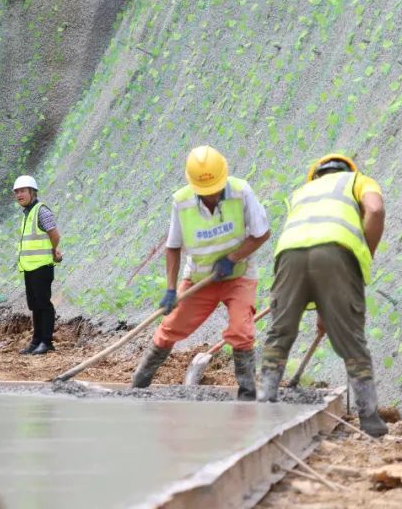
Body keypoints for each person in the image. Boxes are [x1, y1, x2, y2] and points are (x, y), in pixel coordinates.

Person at [259, 154, 388, 437]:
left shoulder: (300, 193)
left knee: (280, 333)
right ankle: (370, 419)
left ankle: (265, 403)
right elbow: (375, 210)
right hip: (337, 252)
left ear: (315, 176)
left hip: (289, 254)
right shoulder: (358, 181)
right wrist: (362, 254)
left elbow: (310, 249)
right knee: (352, 339)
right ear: (347, 170)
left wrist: (323, 311)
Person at [131, 146, 271, 399]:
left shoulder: (241, 192)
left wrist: (232, 258)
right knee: (171, 327)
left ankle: (247, 393)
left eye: (215, 190)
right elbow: (172, 248)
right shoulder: (182, 201)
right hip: (200, 278)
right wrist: (171, 289)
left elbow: (262, 234)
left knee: (241, 330)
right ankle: (139, 382)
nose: (211, 196)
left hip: (239, 274)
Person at [12, 175, 62, 355]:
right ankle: (36, 341)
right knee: (34, 305)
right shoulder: (27, 214)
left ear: (32, 192)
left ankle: (47, 342)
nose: (19, 195)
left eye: (23, 191)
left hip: (42, 266)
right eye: (17, 192)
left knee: (43, 304)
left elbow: (54, 235)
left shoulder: (41, 211)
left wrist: (54, 250)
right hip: (29, 267)